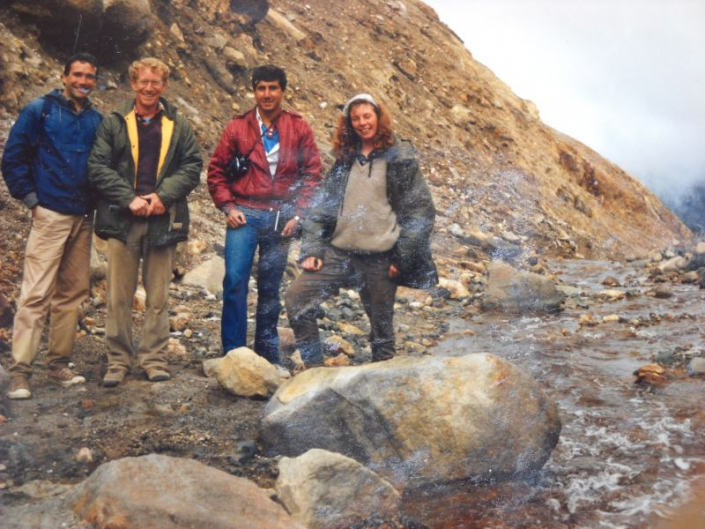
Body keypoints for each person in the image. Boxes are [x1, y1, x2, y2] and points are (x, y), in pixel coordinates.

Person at [285, 93, 437, 369]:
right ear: (349, 123)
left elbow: (420, 212)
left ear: (379, 117)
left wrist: (402, 258)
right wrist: (312, 250)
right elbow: (321, 209)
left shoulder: (399, 158)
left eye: (367, 116)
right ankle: (314, 372)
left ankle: (381, 385)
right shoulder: (345, 159)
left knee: (381, 332)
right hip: (339, 253)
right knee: (297, 299)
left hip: (381, 259)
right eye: (355, 118)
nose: (362, 122)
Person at [87, 57, 202, 387]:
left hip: (162, 220)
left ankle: (153, 359)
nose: (149, 88)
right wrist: (129, 198)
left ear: (164, 86)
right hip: (122, 219)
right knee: (118, 296)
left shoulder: (178, 124)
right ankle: (118, 361)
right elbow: (98, 166)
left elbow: (192, 165)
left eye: (156, 82)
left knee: (158, 297)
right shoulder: (115, 122)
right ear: (133, 83)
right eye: (143, 82)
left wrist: (162, 196)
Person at [2, 53, 103, 400]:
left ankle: (58, 364)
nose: (83, 82)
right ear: (64, 77)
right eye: (78, 75)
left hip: (82, 218)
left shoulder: (96, 120)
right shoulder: (40, 110)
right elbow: (13, 158)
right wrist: (31, 200)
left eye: (90, 77)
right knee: (35, 293)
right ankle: (20, 372)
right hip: (49, 214)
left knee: (72, 294)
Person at [207, 65, 322, 364]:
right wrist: (228, 207)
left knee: (270, 286)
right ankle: (233, 352)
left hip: (280, 217)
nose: (267, 94)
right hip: (244, 214)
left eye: (273, 88)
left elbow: (312, 173)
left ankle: (267, 352)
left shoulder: (298, 127)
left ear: (282, 91)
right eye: (261, 88)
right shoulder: (238, 127)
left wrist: (299, 214)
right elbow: (216, 171)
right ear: (254, 91)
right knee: (235, 280)